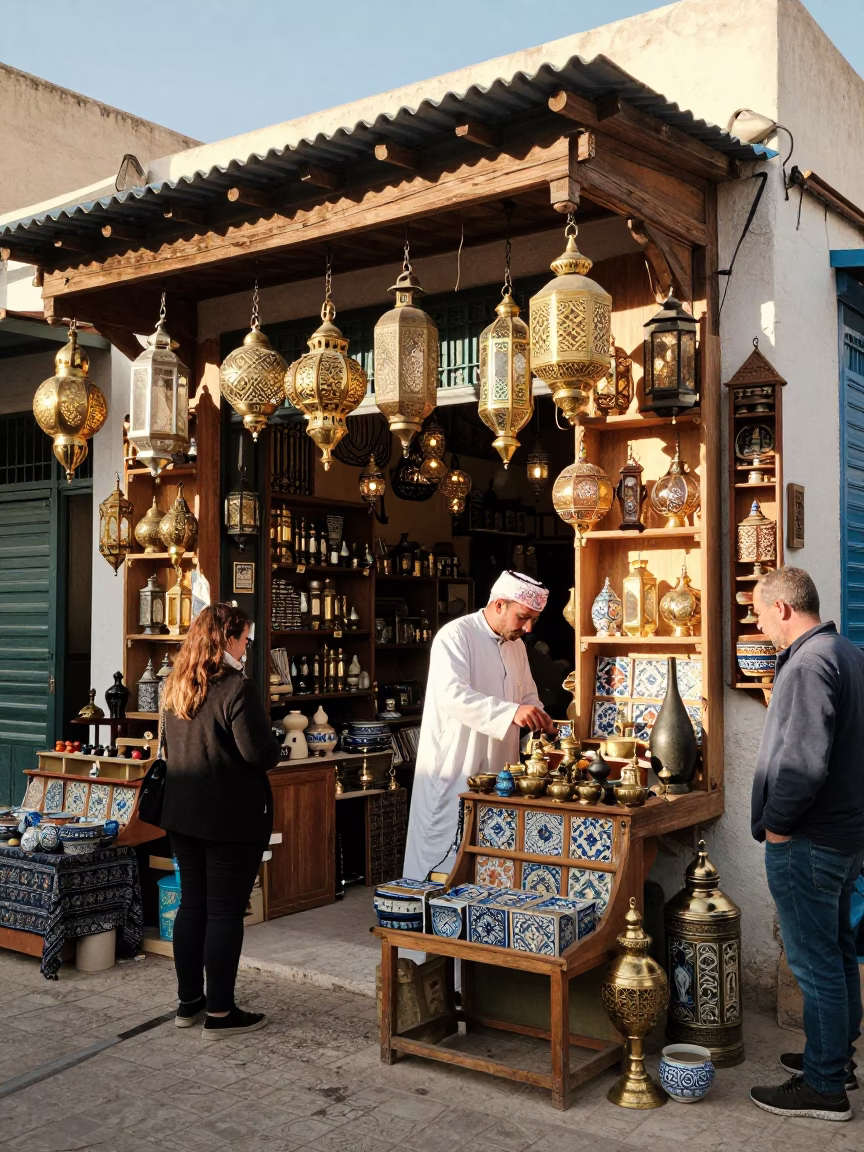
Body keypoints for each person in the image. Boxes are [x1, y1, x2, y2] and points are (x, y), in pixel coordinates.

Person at [749, 567, 864, 1122]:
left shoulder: (810, 662)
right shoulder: (846, 652)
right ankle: (833, 1061)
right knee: (837, 953)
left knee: (815, 963)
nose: (757, 622)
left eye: (758, 611)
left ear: (784, 609)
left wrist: (776, 824)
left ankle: (823, 1086)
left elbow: (803, 761)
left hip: (810, 840)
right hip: (842, 837)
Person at [160, 603, 282, 1039]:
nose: (247, 648)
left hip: (182, 814)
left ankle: (188, 1003)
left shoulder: (175, 685)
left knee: (192, 907)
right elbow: (258, 754)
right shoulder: (236, 687)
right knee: (225, 912)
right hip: (230, 819)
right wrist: (277, 742)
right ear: (228, 639)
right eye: (245, 640)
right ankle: (221, 1013)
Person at [403, 570, 556, 882]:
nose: (527, 628)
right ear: (499, 605)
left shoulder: (517, 646)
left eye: (533, 621)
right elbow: (452, 696)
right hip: (455, 765)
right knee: (443, 851)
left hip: (499, 767)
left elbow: (527, 694)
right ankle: (426, 923)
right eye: (523, 617)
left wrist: (540, 718)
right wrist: (513, 712)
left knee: (491, 852)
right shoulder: (455, 635)